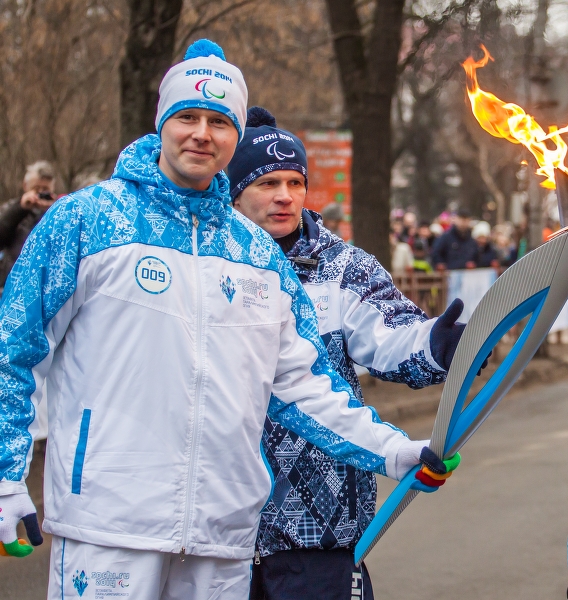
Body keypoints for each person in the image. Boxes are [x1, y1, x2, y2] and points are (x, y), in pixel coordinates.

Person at [0, 41, 457, 599]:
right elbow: (13, 350)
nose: (201, 133)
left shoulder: (256, 254)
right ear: (162, 122)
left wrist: (391, 449)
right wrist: (5, 479)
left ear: (235, 135)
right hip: (110, 523)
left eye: (219, 121)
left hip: (222, 536)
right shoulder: (89, 220)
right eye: (187, 116)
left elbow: (303, 385)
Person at [228, 107, 470, 600]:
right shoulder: (207, 263)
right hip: (220, 524)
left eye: (295, 182)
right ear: (232, 190)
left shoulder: (340, 266)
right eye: (267, 183)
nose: (285, 196)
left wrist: (436, 344)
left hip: (319, 523)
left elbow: (392, 334)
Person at [0, 161, 58, 290]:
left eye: (45, 190)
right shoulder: (12, 208)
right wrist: (20, 209)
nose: (40, 194)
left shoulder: (58, 212)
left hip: (44, 285)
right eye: (37, 189)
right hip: (11, 284)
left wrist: (51, 212)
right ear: (25, 186)